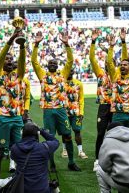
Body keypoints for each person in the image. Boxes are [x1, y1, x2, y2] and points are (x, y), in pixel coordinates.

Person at [32, 30, 81, 172]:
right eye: (50, 63)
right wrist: (36, 45)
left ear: (58, 65)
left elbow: (70, 61)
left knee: (67, 135)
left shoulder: (63, 75)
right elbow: (34, 62)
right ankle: (51, 164)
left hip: (61, 110)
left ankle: (71, 162)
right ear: (47, 66)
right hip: (48, 110)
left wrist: (67, 45)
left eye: (55, 63)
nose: (52, 64)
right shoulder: (42, 74)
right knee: (49, 137)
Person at [89, 29, 128, 172]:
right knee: (100, 133)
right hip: (104, 106)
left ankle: (115, 159)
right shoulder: (100, 74)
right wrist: (93, 42)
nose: (107, 63)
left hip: (116, 106)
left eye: (110, 62)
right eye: (106, 62)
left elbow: (125, 58)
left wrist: (123, 42)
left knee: (116, 134)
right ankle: (97, 160)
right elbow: (92, 59)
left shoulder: (117, 74)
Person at [0, 31, 26, 183]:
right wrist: (11, 40)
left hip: (17, 117)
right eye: (7, 60)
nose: (10, 61)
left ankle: (18, 180)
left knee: (19, 151)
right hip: (2, 118)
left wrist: (22, 47)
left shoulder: (18, 76)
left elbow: (23, 62)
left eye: (12, 60)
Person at [97, 122, 129, 193]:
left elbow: (104, 166)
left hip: (123, 184)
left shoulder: (108, 141)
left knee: (99, 169)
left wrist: (114, 169)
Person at [10, 122, 60, 193]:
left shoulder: (15, 148)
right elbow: (55, 141)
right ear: (37, 134)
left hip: (22, 189)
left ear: (22, 133)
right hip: (42, 190)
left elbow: (14, 157)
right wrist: (41, 131)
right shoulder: (44, 147)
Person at [62, 68, 87, 159]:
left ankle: (80, 151)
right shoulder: (61, 83)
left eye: (71, 70)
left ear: (73, 71)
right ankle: (64, 150)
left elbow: (81, 99)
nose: (69, 71)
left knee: (77, 130)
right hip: (64, 112)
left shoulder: (78, 83)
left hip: (76, 112)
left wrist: (81, 112)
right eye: (68, 70)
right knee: (65, 131)